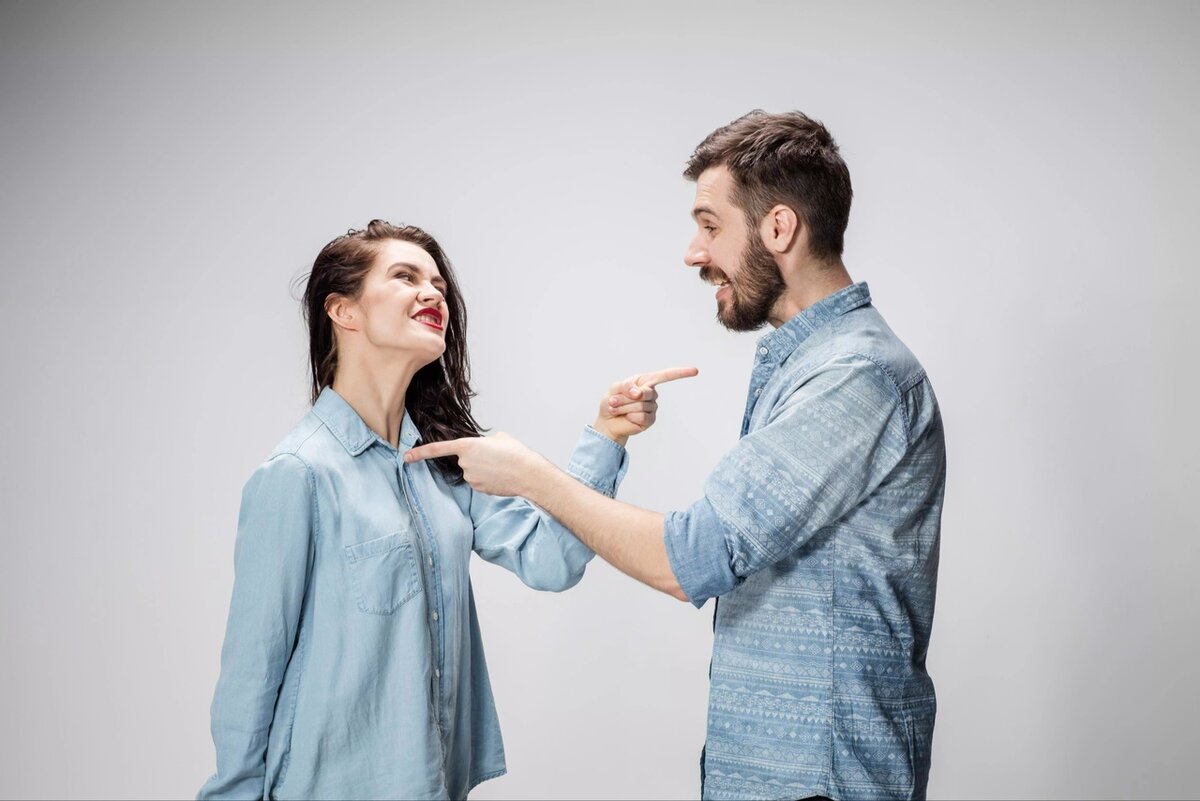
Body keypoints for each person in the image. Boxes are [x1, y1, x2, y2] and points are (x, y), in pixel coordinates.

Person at [405, 111, 947, 801]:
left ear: (779, 228)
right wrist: (603, 438)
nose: (694, 253)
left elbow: (689, 557)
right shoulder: (808, 363)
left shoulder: (854, 375)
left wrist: (532, 476)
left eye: (710, 226)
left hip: (819, 780)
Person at [197, 220, 675, 799]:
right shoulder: (297, 475)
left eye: (439, 284)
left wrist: (608, 434)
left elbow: (550, 560)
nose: (433, 293)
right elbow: (251, 673)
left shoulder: (445, 463)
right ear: (343, 311)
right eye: (405, 277)